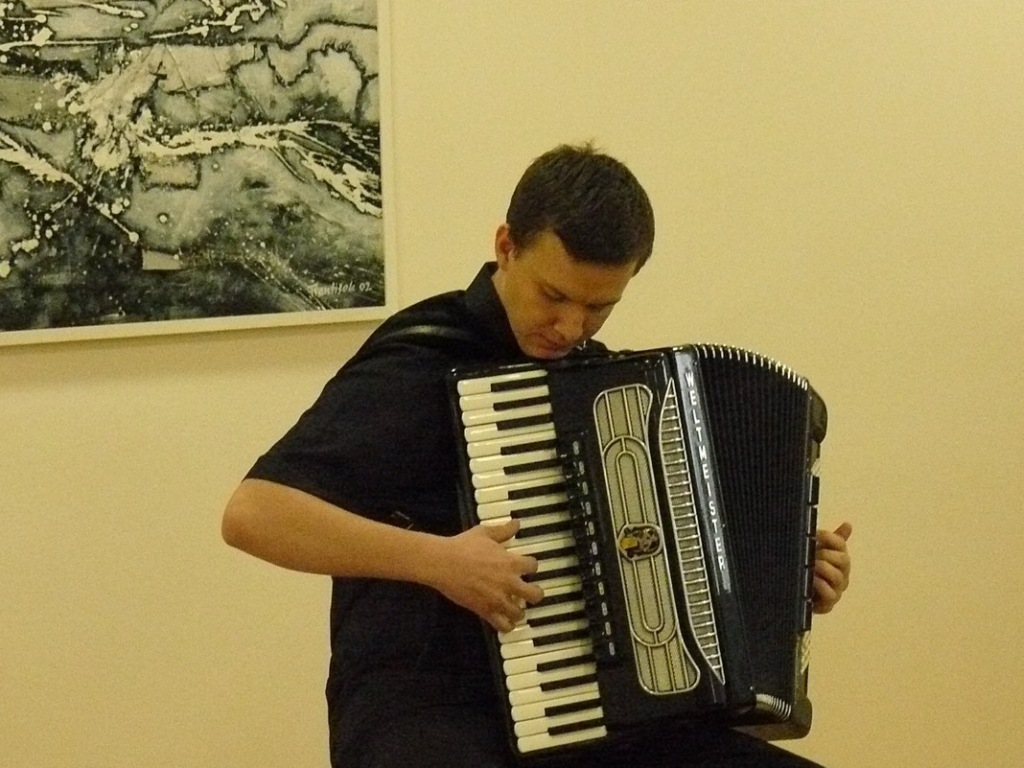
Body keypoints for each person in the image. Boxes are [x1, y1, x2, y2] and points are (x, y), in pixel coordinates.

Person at [221, 142, 853, 768]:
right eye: (553, 295)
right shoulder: (420, 360)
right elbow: (254, 513)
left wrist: (790, 568)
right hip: (430, 704)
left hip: (593, 715)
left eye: (599, 307)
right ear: (506, 246)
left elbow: (661, 565)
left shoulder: (606, 391)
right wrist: (440, 562)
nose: (571, 327)